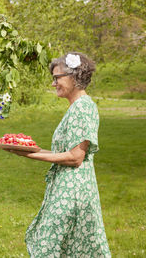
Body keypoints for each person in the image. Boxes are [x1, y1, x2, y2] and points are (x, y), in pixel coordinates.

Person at [8, 52, 111, 257]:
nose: (54, 83)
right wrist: (27, 149)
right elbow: (62, 153)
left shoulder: (82, 107)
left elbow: (75, 157)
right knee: (69, 246)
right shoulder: (77, 107)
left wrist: (31, 156)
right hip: (67, 187)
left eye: (57, 78)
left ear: (74, 77)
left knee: (48, 244)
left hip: (72, 191)